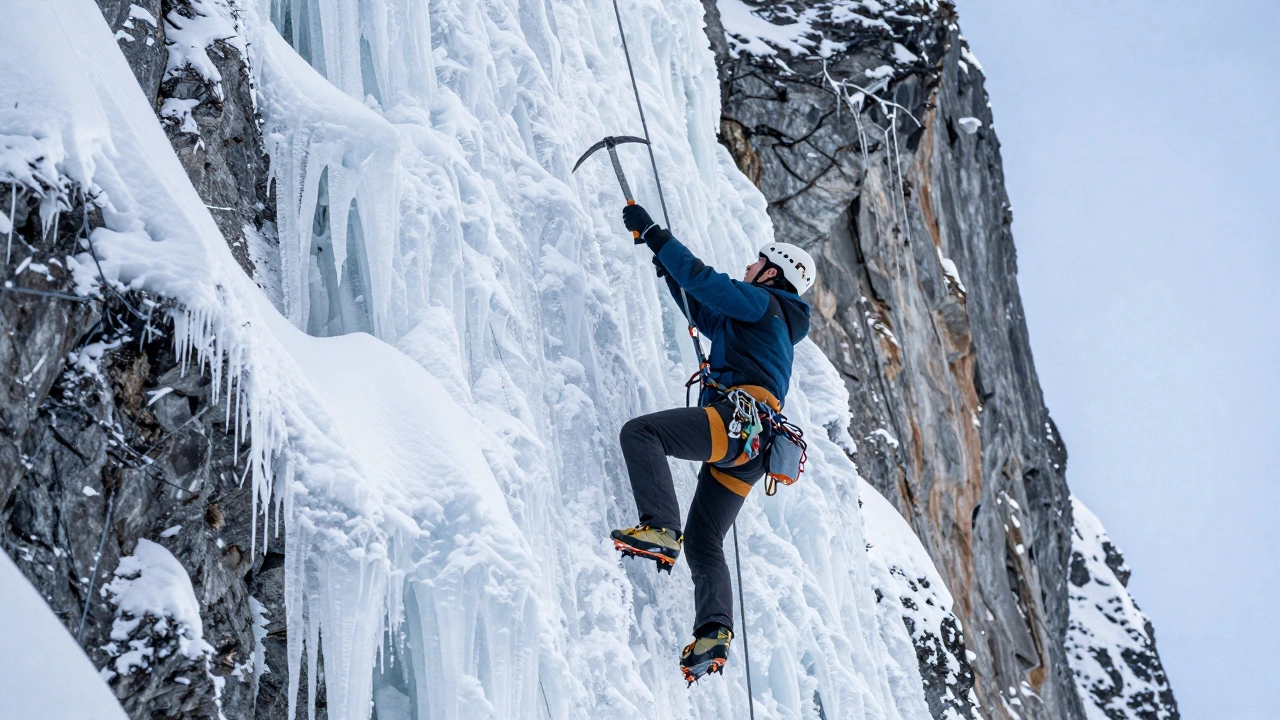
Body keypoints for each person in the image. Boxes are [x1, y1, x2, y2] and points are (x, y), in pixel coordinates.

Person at [610, 203, 813, 684]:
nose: (747, 266)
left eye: (755, 262)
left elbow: (705, 281)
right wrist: (665, 268)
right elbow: (703, 309)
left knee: (642, 433)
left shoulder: (764, 303)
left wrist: (655, 235)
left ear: (770, 271)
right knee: (705, 542)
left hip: (737, 422)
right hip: (754, 448)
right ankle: (714, 632)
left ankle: (660, 528)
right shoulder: (771, 321)